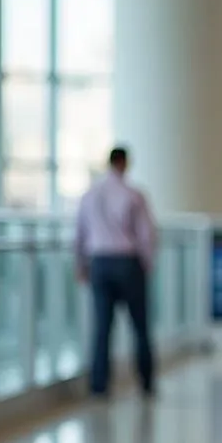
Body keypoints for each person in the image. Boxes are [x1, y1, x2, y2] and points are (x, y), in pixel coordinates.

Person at [75, 146, 158, 399]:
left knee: (102, 327)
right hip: (128, 262)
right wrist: (146, 263)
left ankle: (99, 386)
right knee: (140, 326)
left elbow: (79, 234)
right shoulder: (133, 195)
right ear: (125, 163)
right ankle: (146, 382)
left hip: (99, 262)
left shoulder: (90, 194)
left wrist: (81, 265)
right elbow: (146, 234)